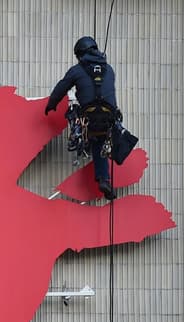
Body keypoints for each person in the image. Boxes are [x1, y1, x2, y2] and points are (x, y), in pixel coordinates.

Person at [45, 36, 119, 200]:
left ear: (80, 54)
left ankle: (82, 141)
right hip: (109, 117)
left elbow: (61, 88)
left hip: (89, 115)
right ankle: (104, 179)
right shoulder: (109, 69)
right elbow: (110, 93)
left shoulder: (77, 70)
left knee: (92, 135)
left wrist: (51, 105)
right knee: (101, 141)